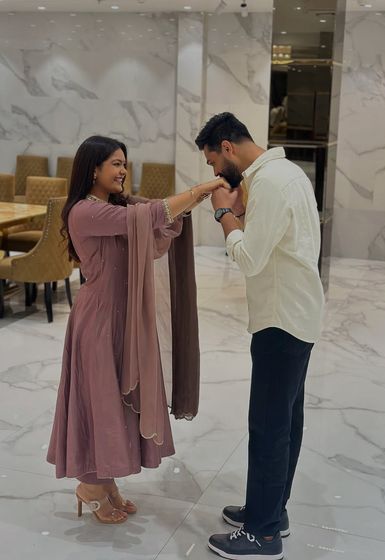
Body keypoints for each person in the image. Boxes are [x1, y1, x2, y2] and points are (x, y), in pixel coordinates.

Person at [47, 135, 228, 524]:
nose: (123, 170)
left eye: (124, 163)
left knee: (114, 400)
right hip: (98, 320)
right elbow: (149, 216)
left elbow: (158, 219)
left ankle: (105, 480)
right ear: (93, 169)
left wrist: (196, 199)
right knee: (98, 400)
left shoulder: (118, 206)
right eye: (115, 163)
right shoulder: (84, 211)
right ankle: (89, 485)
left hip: (121, 318)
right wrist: (199, 189)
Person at [195, 113, 324, 559]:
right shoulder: (289, 174)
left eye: (213, 162)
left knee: (269, 426)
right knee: (285, 421)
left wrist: (224, 215)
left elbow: (250, 259)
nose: (215, 172)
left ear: (227, 147)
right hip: (298, 313)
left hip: (280, 320)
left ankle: (262, 535)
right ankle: (271, 511)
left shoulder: (268, 182)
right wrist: (242, 211)